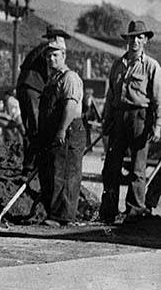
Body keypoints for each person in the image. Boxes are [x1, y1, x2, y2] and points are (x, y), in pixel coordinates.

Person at [100, 20, 161, 224]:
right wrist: (106, 120)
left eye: (139, 37)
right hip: (119, 117)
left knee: (137, 168)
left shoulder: (151, 66)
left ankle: (134, 212)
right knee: (111, 166)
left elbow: (158, 99)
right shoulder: (118, 64)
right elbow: (110, 95)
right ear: (126, 40)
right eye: (131, 37)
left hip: (140, 118)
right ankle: (108, 210)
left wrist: (157, 126)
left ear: (145, 40)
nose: (134, 41)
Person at [36, 36, 85, 226]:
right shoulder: (53, 79)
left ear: (64, 55)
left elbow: (70, 107)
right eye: (48, 56)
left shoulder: (69, 77)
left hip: (69, 129)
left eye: (55, 55)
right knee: (53, 171)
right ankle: (55, 214)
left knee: (65, 173)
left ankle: (63, 217)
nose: (51, 59)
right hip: (55, 130)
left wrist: (62, 130)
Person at [15, 25, 72, 175]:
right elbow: (53, 73)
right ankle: (32, 165)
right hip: (32, 88)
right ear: (55, 39)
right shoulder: (48, 50)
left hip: (24, 86)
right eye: (61, 39)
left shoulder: (39, 50)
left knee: (30, 126)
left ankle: (31, 163)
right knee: (37, 126)